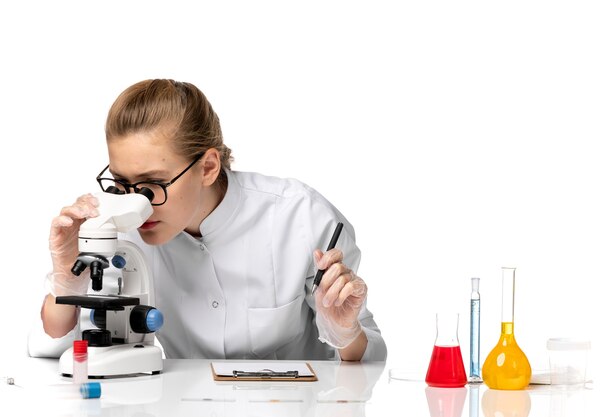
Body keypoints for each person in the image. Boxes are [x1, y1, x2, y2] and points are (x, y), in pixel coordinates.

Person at [27, 79, 386, 361]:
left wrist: (343, 331)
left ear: (208, 167)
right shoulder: (123, 231)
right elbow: (52, 349)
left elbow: (366, 362)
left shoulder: (301, 218)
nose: (138, 205)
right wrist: (66, 278)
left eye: (151, 186)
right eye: (121, 185)